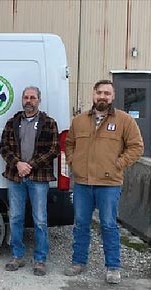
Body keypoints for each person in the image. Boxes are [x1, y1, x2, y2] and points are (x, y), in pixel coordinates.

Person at [64, 79, 143, 284]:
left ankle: (113, 267)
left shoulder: (124, 120)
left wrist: (119, 163)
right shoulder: (79, 120)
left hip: (109, 184)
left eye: (107, 93)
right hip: (82, 183)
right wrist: (73, 161)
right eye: (99, 92)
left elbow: (136, 147)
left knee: (108, 225)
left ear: (113, 96)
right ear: (93, 94)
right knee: (81, 224)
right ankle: (78, 262)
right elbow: (69, 143)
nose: (102, 97)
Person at [0, 86, 59, 276]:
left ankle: (40, 260)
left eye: (33, 97)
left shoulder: (49, 123)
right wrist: (17, 164)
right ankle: (17, 256)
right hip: (15, 176)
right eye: (26, 97)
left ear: (39, 101)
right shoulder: (12, 122)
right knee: (16, 218)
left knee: (40, 220)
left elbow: (54, 149)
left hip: (38, 178)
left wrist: (30, 165)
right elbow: (3, 147)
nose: (29, 100)